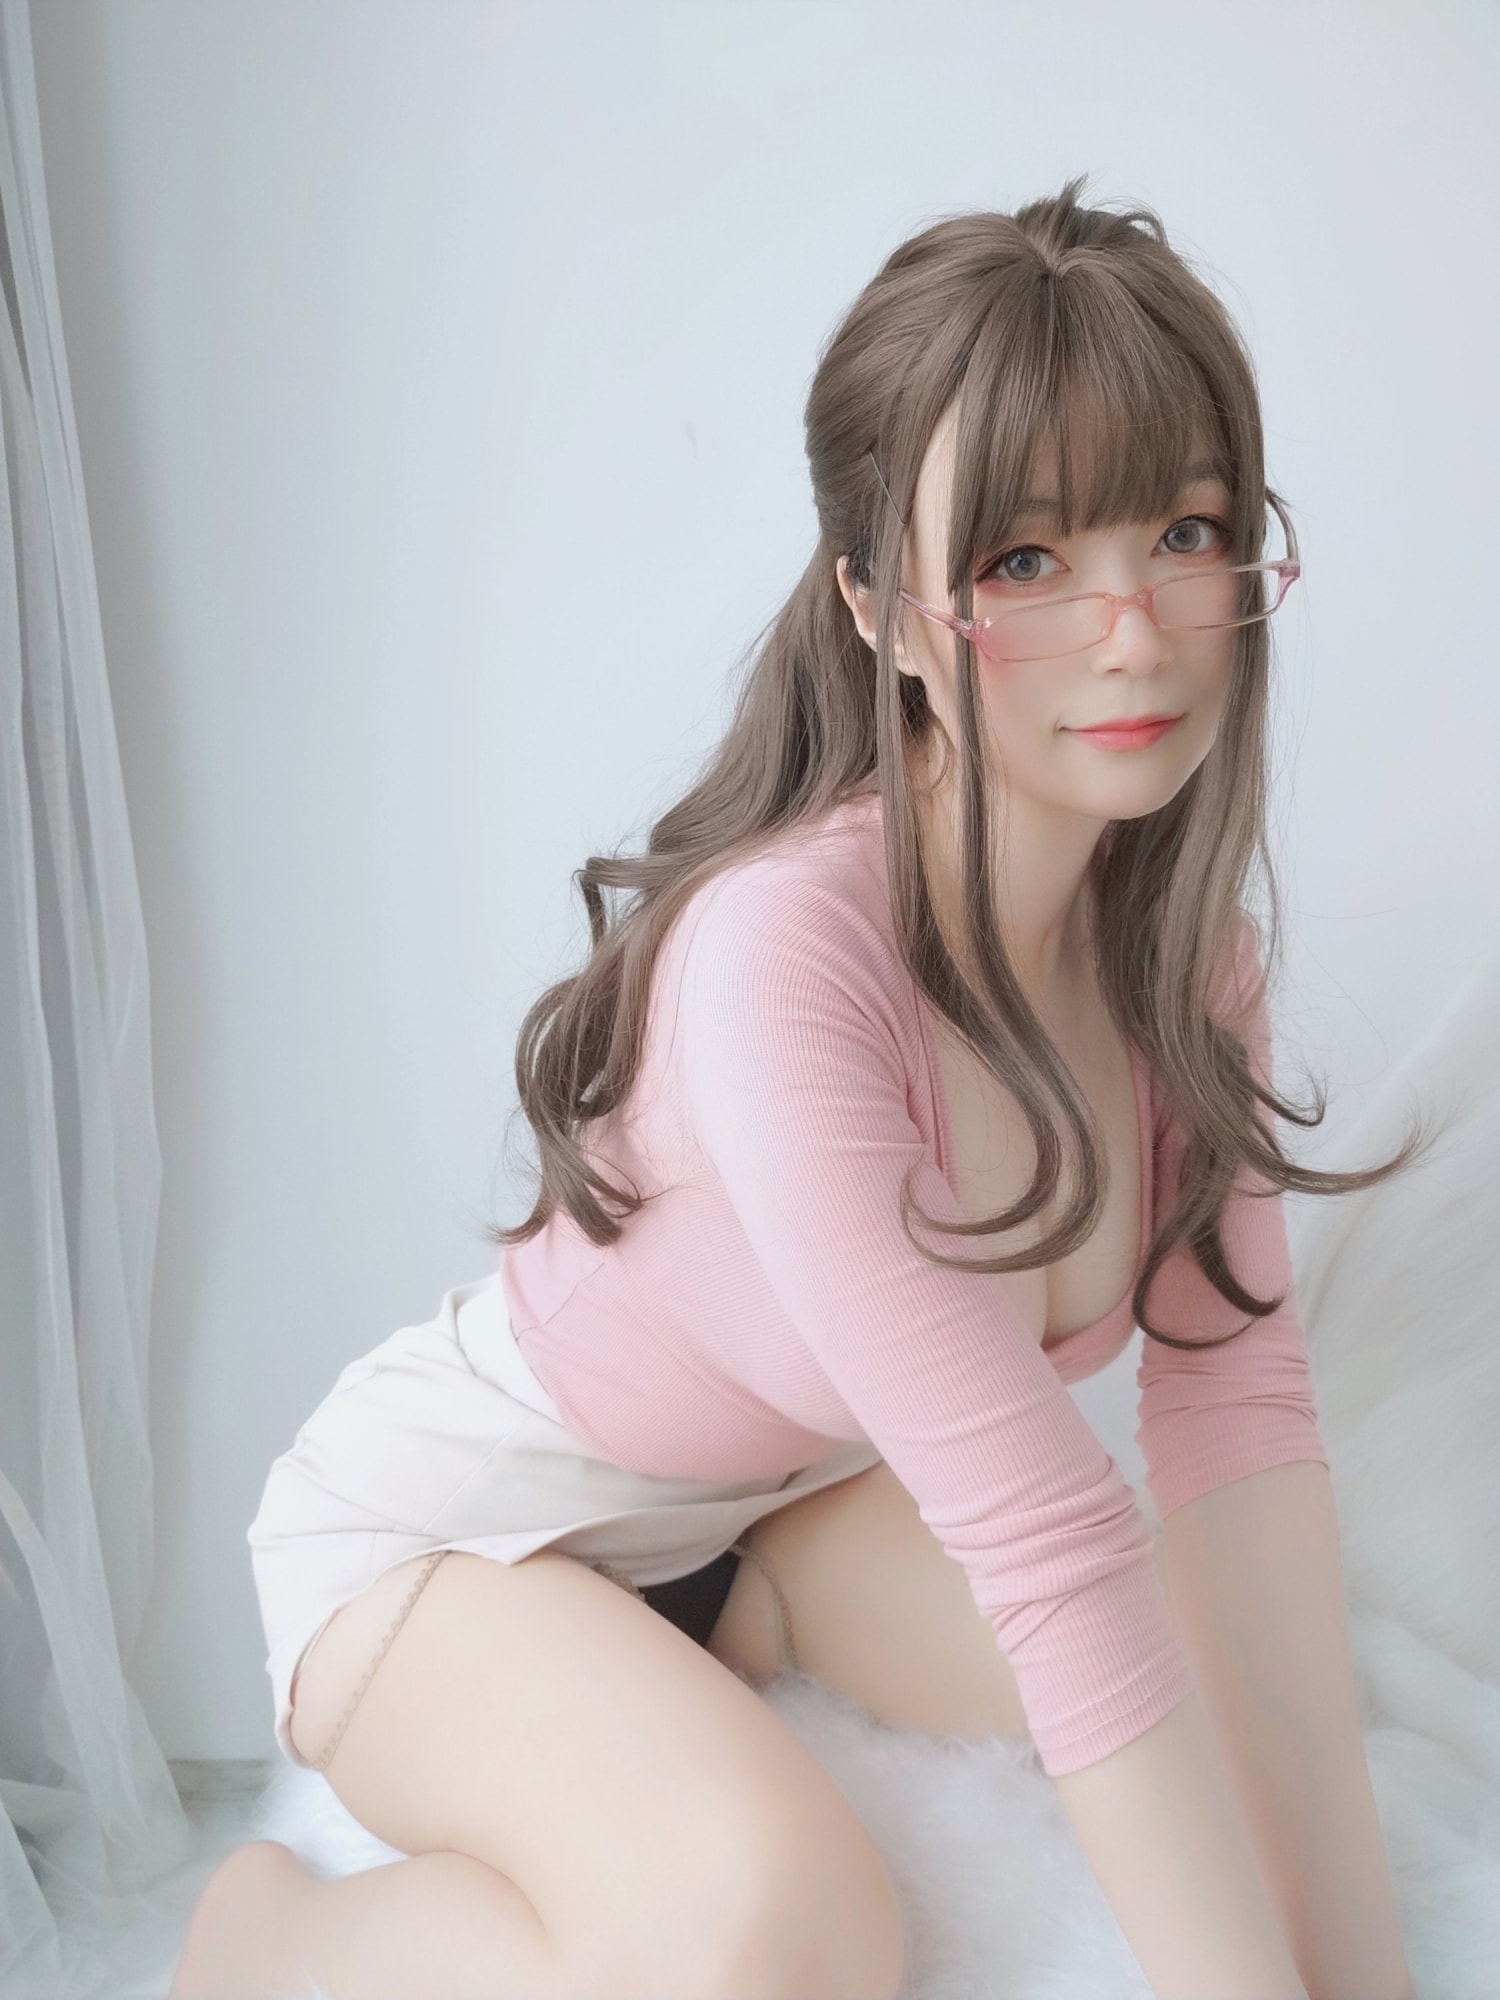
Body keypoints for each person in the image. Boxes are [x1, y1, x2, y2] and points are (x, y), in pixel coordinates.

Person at [170, 176, 1425, 1999]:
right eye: (1024, 561)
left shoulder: (1184, 967)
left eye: (1185, 529)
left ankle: (728, 1631)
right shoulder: (785, 961)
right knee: (784, 1931)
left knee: (1230, 1701)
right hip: (454, 1541)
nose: (1134, 628)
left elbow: (1240, 1439)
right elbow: (1045, 1540)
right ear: (879, 611)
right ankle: (264, 1940)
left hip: (768, 1519)